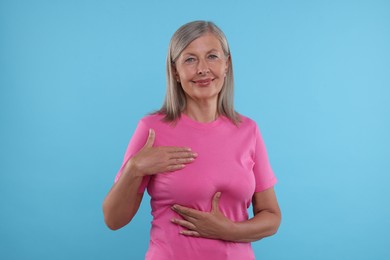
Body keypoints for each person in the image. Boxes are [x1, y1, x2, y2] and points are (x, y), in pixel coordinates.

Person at [103, 20, 281, 260]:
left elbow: (271, 217)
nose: (202, 69)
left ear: (227, 65)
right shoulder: (152, 129)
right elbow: (113, 220)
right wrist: (134, 168)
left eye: (212, 56)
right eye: (190, 59)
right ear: (175, 71)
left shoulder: (248, 130)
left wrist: (228, 230)